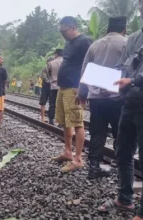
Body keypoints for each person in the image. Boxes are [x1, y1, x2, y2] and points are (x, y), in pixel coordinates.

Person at [97, 2, 143, 219]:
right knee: (123, 153)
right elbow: (124, 66)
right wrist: (107, 81)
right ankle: (125, 199)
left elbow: (140, 76)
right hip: (129, 105)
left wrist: (135, 79)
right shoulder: (136, 38)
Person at [78, 17, 127, 180]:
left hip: (96, 99)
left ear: (107, 30)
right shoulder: (126, 43)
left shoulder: (95, 45)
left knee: (97, 133)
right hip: (117, 98)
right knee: (120, 134)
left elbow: (85, 71)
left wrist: (82, 94)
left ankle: (93, 168)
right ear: (124, 30)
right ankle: (122, 171)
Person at [51, 16, 92, 172]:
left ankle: (78, 158)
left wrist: (84, 90)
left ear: (73, 27)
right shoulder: (68, 43)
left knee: (76, 122)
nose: (63, 34)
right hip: (63, 87)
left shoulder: (85, 41)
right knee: (65, 122)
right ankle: (68, 152)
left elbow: (90, 66)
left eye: (64, 31)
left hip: (74, 88)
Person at [47, 49, 64, 125]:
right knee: (62, 104)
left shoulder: (51, 63)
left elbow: (49, 74)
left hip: (53, 86)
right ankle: (61, 122)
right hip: (63, 86)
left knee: (52, 103)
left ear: (56, 54)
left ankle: (51, 119)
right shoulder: (65, 62)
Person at [40, 58, 53, 122]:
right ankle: (42, 117)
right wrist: (49, 81)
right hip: (45, 87)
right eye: (48, 62)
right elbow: (43, 76)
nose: (49, 63)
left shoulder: (54, 68)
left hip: (52, 87)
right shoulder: (44, 68)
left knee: (52, 103)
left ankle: (51, 118)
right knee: (43, 102)